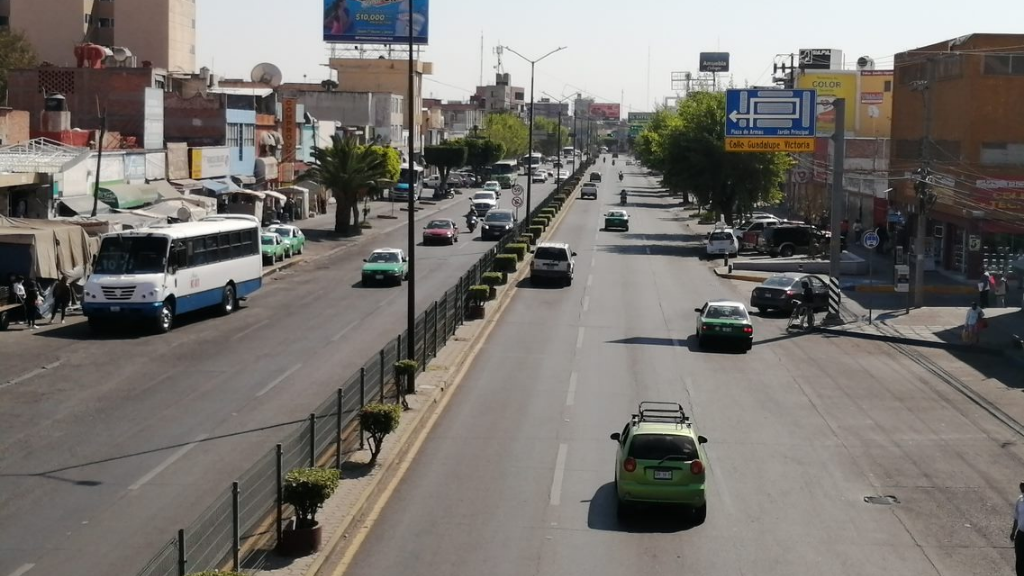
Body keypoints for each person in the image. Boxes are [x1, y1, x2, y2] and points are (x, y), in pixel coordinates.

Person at [1011, 481, 1024, 576]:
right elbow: (1016, 517)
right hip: (1021, 534)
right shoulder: (1020, 500)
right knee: (1019, 559)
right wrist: (1013, 532)